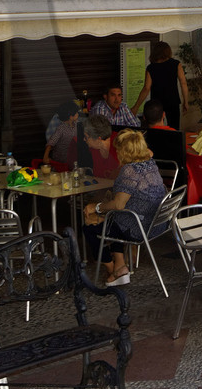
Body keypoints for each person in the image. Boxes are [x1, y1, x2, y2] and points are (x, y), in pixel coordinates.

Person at [82, 129, 167, 287]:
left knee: (90, 227)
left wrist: (97, 207)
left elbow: (118, 205)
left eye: (118, 150)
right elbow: (149, 152)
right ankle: (120, 266)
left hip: (139, 228)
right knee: (114, 220)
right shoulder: (150, 163)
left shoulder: (130, 171)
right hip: (158, 224)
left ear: (124, 152)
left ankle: (111, 269)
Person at [133, 41, 189, 129]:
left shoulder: (151, 68)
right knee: (174, 128)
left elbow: (146, 88)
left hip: (156, 104)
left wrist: (136, 106)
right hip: (172, 101)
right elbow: (183, 83)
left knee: (155, 128)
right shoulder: (176, 64)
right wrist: (186, 101)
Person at [43, 103, 84, 171]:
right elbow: (51, 143)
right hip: (61, 161)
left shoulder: (77, 124)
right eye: (76, 113)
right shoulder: (61, 128)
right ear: (70, 116)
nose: (78, 114)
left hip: (73, 158)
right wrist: (45, 157)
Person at [83, 113, 120, 179]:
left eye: (86, 137)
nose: (84, 139)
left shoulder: (121, 144)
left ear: (98, 139)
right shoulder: (93, 149)